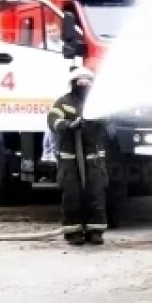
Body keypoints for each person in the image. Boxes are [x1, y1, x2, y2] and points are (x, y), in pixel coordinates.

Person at [46, 67, 109, 245]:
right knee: (71, 195)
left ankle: (95, 231)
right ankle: (73, 232)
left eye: (87, 81)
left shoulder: (98, 101)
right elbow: (53, 120)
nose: (84, 84)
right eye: (80, 81)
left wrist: (91, 122)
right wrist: (68, 125)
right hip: (70, 158)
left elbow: (107, 119)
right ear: (73, 83)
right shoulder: (63, 102)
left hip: (93, 158)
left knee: (96, 193)